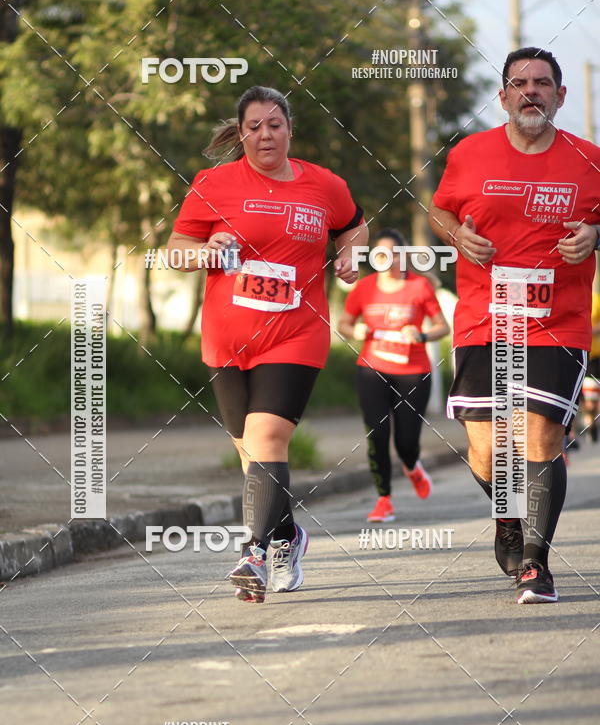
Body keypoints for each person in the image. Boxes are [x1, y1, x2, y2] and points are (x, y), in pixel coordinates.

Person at [166, 85, 367, 602]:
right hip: (229, 338)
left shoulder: (324, 185)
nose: (264, 135)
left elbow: (353, 226)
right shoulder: (214, 183)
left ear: (290, 130)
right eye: (254, 126)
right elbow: (176, 250)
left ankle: (254, 553)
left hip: (296, 332)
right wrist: (207, 248)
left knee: (267, 436)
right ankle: (286, 538)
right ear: (241, 133)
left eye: (274, 125)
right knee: (249, 451)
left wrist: (350, 257)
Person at [429, 47, 600, 604]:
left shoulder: (590, 160)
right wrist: (456, 235)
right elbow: (440, 210)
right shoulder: (470, 154)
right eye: (520, 83)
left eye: (543, 83)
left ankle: (535, 563)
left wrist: (595, 236)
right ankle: (508, 515)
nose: (532, 91)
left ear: (560, 95)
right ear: (502, 96)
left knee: (541, 432)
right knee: (485, 446)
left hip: (558, 320)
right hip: (484, 316)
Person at [338, 229, 449, 521]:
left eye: (391, 253)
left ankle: (412, 465)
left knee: (406, 441)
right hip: (371, 369)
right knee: (377, 434)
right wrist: (356, 330)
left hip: (413, 373)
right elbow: (345, 323)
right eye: (379, 253)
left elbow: (442, 327)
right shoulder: (364, 287)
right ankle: (383, 499)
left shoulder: (420, 287)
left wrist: (422, 335)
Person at [581, 275, 600, 443]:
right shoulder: (576, 298)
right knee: (587, 400)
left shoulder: (597, 301)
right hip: (579, 354)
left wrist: (592, 330)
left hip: (595, 356)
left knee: (592, 400)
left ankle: (592, 424)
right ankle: (590, 425)